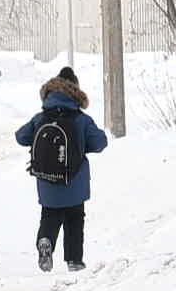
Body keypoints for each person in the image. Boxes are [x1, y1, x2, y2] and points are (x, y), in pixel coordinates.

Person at [15, 66, 109, 272]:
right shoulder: (81, 119)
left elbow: (20, 136)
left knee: (49, 215)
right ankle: (74, 260)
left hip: (48, 181)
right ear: (75, 90)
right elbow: (101, 142)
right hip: (74, 181)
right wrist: (82, 144)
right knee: (75, 218)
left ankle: (45, 240)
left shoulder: (40, 118)